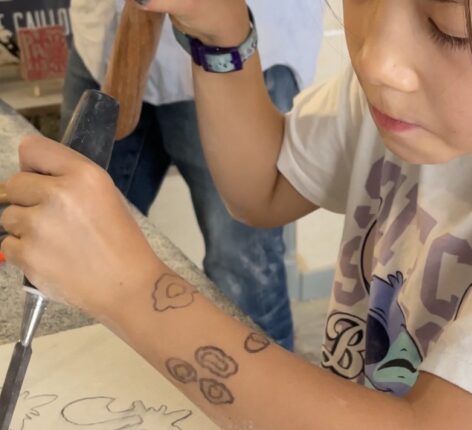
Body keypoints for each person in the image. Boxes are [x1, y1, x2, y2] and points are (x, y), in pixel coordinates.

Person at [1, 0, 472, 428]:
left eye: (453, 27)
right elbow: (265, 186)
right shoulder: (414, 79)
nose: (375, 62)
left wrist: (132, 290)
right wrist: (220, 33)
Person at [61, 0, 324, 351]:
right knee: (76, 247)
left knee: (243, 277)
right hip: (102, 39)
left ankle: (263, 400)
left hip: (234, 53)